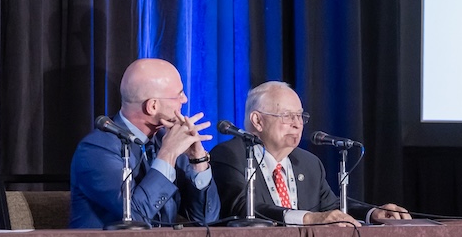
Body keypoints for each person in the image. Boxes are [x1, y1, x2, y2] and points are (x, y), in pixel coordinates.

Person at [210, 81, 410, 226]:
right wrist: (307, 218)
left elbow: (330, 207)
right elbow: (243, 208)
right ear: (258, 121)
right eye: (287, 116)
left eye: (300, 116)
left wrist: (373, 213)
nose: (297, 124)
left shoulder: (308, 163)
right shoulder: (230, 155)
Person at [70, 58, 221, 228]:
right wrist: (167, 155)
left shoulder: (166, 140)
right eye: (178, 94)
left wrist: (198, 161)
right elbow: (135, 217)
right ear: (152, 106)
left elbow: (207, 220)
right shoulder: (96, 150)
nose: (185, 99)